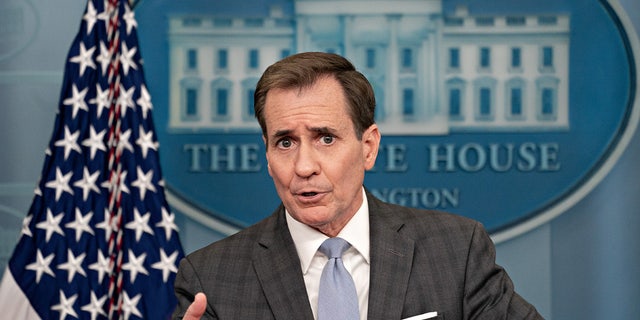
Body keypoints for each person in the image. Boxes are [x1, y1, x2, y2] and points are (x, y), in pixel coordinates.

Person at [172, 52, 543, 320]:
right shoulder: (210, 279)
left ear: (368, 147)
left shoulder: (456, 252)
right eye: (285, 142)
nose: (303, 166)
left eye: (325, 139)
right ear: (267, 156)